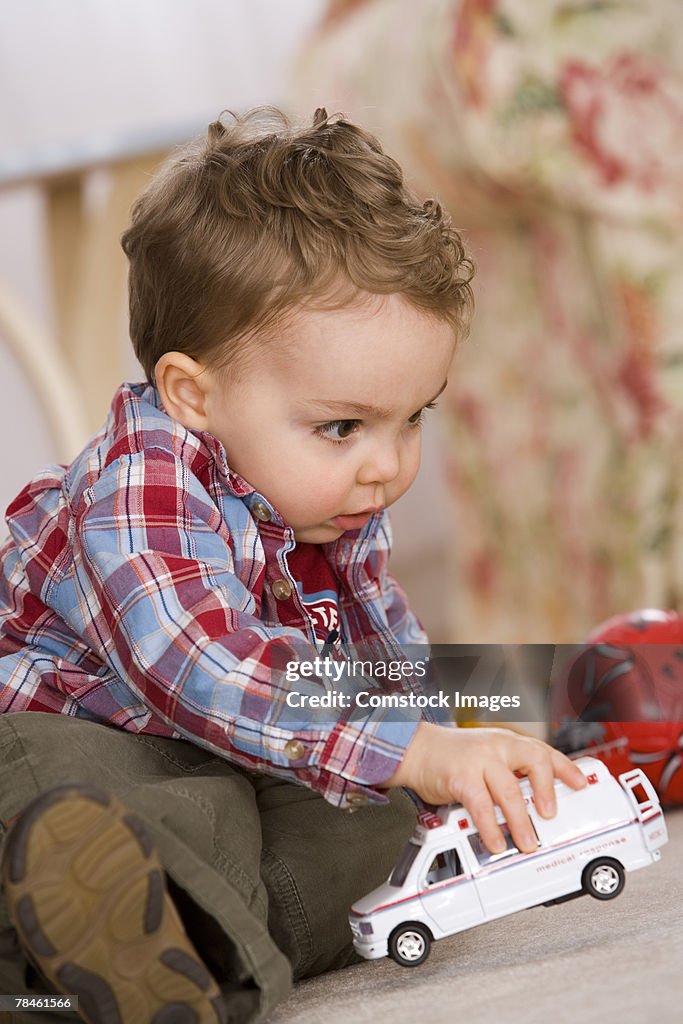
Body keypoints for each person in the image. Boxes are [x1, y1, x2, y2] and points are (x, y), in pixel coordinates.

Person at [0, 107, 586, 1024]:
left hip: (221, 763)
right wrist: (414, 747)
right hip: (82, 749)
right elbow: (206, 667)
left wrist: (470, 745)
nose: (386, 464)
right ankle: (88, 923)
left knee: (375, 816)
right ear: (193, 394)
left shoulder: (332, 500)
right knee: (78, 772)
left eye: (413, 418)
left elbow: (379, 668)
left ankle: (185, 961)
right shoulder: (138, 484)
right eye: (344, 425)